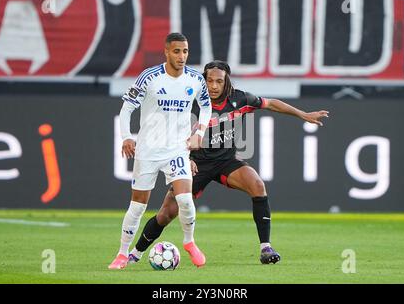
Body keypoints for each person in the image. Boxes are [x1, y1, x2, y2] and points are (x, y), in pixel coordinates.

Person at [126, 60, 329, 265]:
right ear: (203, 81)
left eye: (219, 81)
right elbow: (170, 132)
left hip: (226, 162)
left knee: (257, 185)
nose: (213, 86)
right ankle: (135, 253)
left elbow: (271, 103)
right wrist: (185, 158)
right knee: (166, 214)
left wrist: (302, 114)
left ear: (226, 82)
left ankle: (265, 248)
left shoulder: (239, 99)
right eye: (209, 81)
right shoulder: (191, 101)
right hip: (197, 164)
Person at [108, 33, 212, 270]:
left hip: (177, 150)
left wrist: (199, 132)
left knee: (185, 199)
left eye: (185, 51)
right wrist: (126, 137)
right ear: (166, 52)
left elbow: (206, 106)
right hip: (148, 151)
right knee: (138, 206)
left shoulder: (195, 79)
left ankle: (189, 242)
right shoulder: (150, 77)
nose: (182, 56)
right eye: (177, 51)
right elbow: (127, 109)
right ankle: (122, 253)